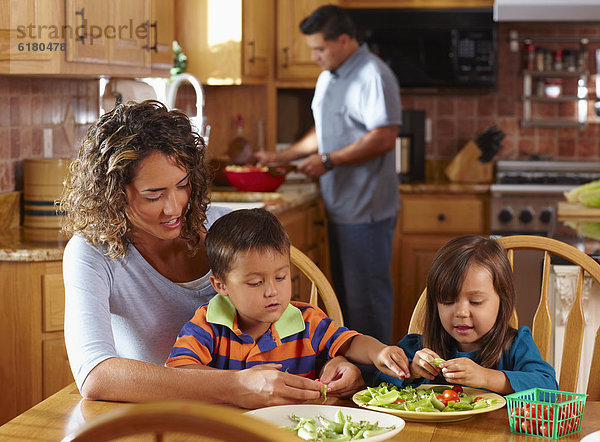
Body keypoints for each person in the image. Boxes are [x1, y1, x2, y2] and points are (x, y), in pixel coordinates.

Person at [59, 100, 365, 408]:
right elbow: (95, 376)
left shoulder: (227, 228)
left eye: (182, 185)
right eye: (154, 195)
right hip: (158, 417)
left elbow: (288, 328)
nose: (174, 207)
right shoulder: (91, 253)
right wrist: (237, 385)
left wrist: (332, 364)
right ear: (114, 194)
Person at [254, 5, 401, 345]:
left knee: (367, 301)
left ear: (345, 40)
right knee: (346, 299)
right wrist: (281, 155)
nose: (314, 56)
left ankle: (382, 380)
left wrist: (329, 161)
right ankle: (356, 377)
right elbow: (324, 131)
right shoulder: (328, 77)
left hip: (366, 209)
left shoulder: (372, 75)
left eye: (319, 48)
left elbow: (384, 135)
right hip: (338, 204)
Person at [166, 208, 410, 385]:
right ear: (220, 285)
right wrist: (238, 381)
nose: (272, 290)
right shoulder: (208, 325)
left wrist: (379, 351)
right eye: (255, 282)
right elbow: (179, 372)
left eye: (281, 278)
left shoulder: (308, 321)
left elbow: (351, 342)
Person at [375, 235, 558, 394]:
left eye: (476, 302)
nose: (461, 313)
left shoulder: (516, 346)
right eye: (447, 301)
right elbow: (376, 385)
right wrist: (411, 373)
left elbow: (548, 388)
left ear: (503, 301)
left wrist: (486, 378)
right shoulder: (416, 347)